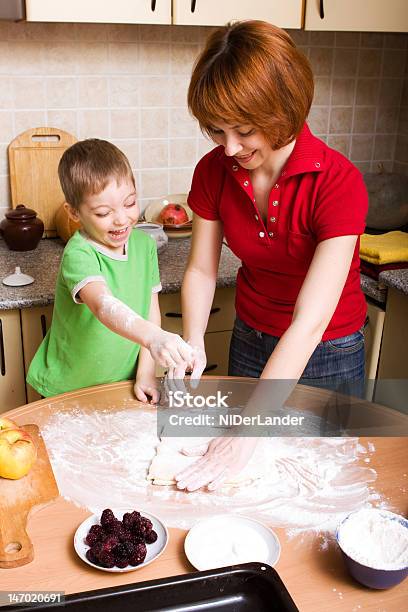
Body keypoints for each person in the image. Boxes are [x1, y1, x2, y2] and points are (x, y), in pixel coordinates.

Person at [173, 21, 368, 491]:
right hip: (250, 337)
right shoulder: (214, 170)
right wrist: (195, 341)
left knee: (317, 485)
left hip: (326, 353)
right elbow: (201, 269)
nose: (230, 148)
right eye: (218, 131)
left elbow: (311, 319)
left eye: (243, 130)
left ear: (283, 109)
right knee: (246, 483)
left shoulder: (338, 183)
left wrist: (248, 429)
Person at [27, 139, 194, 400]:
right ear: (74, 212)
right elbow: (102, 305)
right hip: (68, 387)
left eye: (129, 203)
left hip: (122, 382)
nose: (121, 219)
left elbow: (150, 312)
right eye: (104, 213)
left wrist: (146, 373)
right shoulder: (79, 253)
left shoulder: (143, 246)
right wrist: (154, 338)